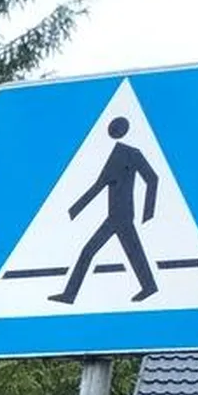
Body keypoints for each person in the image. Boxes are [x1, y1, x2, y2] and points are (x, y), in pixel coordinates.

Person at [52, 117, 160, 305]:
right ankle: (149, 286)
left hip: (123, 215)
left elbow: (152, 178)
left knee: (93, 251)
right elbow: (99, 186)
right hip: (115, 215)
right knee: (131, 252)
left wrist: (148, 213)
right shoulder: (114, 155)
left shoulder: (131, 154)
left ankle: (70, 295)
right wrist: (74, 209)